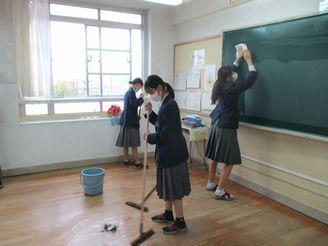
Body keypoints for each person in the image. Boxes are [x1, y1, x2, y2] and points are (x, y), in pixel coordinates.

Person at [205, 50, 258, 200]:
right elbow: (249, 81)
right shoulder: (231, 87)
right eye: (232, 74)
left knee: (215, 156)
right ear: (229, 77)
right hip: (226, 125)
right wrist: (249, 61)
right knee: (229, 160)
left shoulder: (220, 83)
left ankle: (211, 183)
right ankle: (220, 190)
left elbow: (228, 71)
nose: (234, 75)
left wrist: (237, 59)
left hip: (216, 123)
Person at [143, 75, 191, 234]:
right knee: (168, 186)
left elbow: (166, 134)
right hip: (167, 152)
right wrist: (149, 113)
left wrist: (149, 137)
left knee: (174, 188)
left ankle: (180, 221)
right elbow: (160, 124)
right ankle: (168, 214)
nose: (151, 96)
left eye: (151, 92)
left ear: (159, 88)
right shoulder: (165, 103)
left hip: (173, 154)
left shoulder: (170, 105)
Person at [116, 78, 144, 168]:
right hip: (130, 122)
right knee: (134, 143)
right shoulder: (131, 92)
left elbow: (131, 106)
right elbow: (134, 104)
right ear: (137, 84)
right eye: (140, 87)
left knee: (126, 143)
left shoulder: (128, 92)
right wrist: (141, 98)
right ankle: (137, 162)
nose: (139, 89)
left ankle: (126, 161)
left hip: (126, 120)